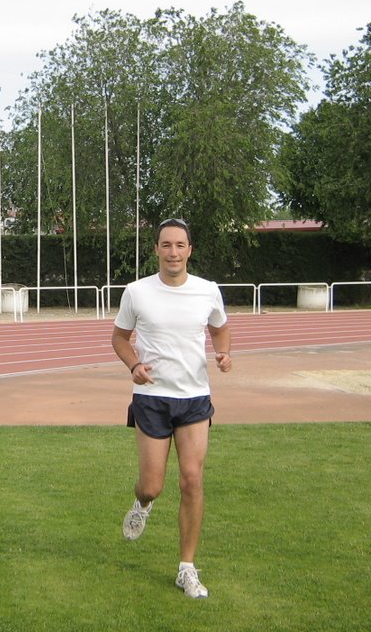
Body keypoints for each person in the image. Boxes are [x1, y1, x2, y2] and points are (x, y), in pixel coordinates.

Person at [111, 218, 232, 599]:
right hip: (151, 398)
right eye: (166, 245)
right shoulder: (137, 292)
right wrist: (134, 365)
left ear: (190, 250)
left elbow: (220, 327)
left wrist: (223, 353)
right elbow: (118, 338)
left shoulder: (208, 291)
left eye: (180, 245)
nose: (173, 252)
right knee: (153, 484)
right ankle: (142, 503)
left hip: (194, 398)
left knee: (192, 480)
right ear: (157, 250)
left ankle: (187, 568)